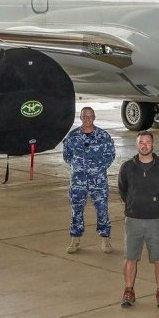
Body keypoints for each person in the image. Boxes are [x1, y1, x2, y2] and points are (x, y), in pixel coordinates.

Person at [117, 131, 159, 308]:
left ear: (153, 145)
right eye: (141, 142)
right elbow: (122, 190)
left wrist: (157, 207)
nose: (144, 145)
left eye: (147, 142)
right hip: (133, 220)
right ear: (136, 145)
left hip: (156, 220)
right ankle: (128, 291)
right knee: (130, 257)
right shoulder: (127, 167)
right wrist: (133, 204)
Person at [62, 107, 116, 254]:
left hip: (98, 182)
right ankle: (75, 239)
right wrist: (79, 168)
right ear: (80, 117)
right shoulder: (72, 137)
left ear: (94, 117)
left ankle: (105, 239)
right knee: (76, 210)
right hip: (78, 181)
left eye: (90, 116)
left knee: (102, 210)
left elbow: (110, 155)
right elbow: (67, 156)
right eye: (84, 116)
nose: (87, 119)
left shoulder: (103, 136)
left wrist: (98, 169)